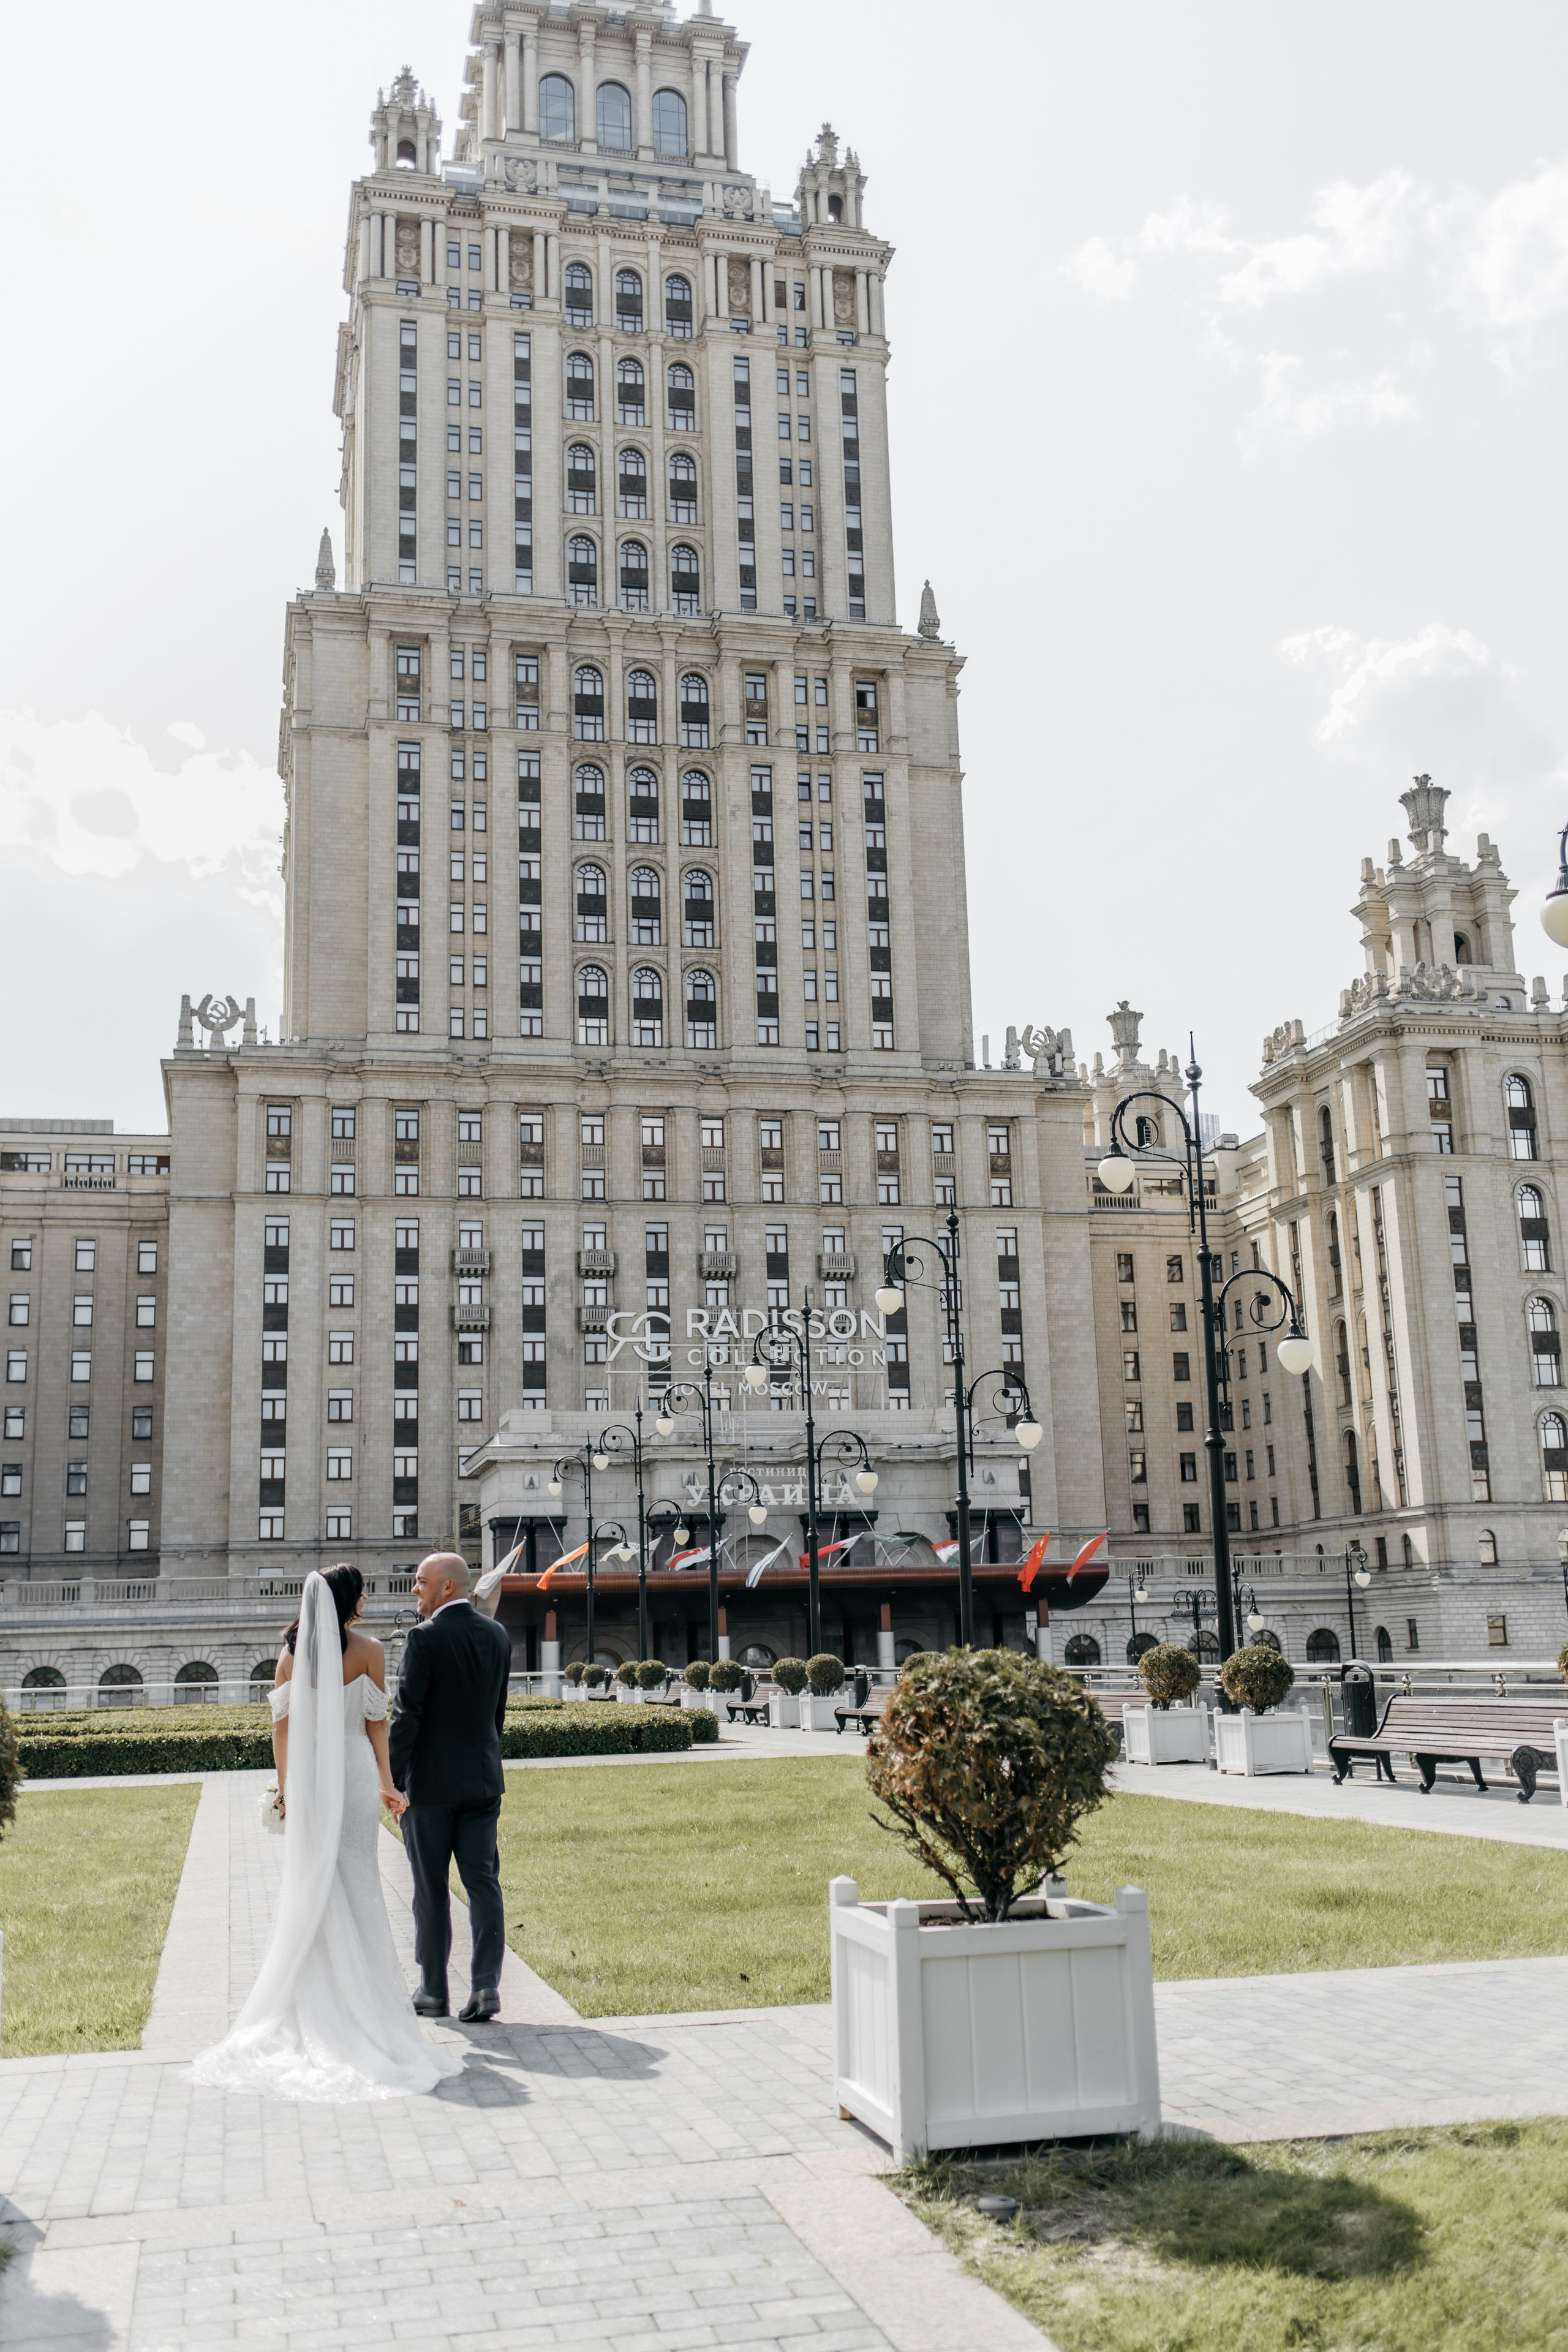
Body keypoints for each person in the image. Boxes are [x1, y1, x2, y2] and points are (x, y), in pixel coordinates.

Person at [190, 1565, 463, 2101]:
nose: (366, 1599)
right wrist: (388, 1785)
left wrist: (286, 1789)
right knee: (358, 1883)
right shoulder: (368, 1652)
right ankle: (367, 2005)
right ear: (346, 1602)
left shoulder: (290, 1658)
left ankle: (314, 2002)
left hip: (314, 1782)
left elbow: (282, 1731)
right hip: (357, 1773)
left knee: (312, 1884)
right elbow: (377, 1724)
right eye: (360, 1593)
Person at [389, 1551, 512, 2024]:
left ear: (447, 1588)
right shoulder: (497, 1634)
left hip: (432, 1788)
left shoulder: (424, 1638)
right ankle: (486, 1986)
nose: (414, 1590)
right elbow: (496, 1715)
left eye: (420, 1582)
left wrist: (395, 1783)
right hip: (483, 1782)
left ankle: (434, 1991)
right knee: (483, 1883)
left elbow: (406, 1717)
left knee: (430, 1888)